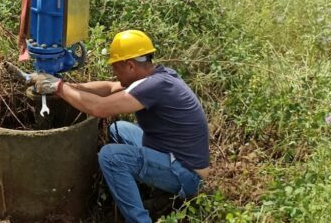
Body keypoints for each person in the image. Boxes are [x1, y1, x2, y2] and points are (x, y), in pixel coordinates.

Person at [30, 30, 210, 223]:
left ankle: (140, 219)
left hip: (187, 174)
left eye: (116, 67)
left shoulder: (153, 87)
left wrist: (58, 87)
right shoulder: (156, 76)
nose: (114, 73)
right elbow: (108, 88)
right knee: (120, 129)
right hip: (171, 154)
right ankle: (146, 190)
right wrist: (63, 90)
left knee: (111, 157)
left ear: (130, 66)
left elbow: (99, 108)